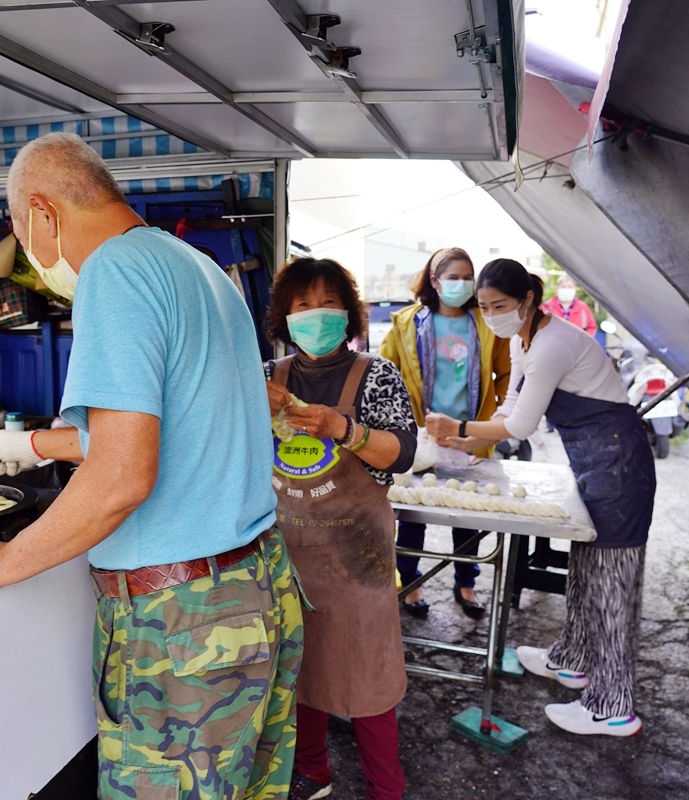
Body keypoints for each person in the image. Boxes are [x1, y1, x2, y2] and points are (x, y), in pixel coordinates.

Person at [0, 132, 304, 798]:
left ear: (40, 212)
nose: (30, 255)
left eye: (18, 232)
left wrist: (2, 560)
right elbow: (174, 431)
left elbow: (123, 476)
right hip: (259, 586)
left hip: (185, 623)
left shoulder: (113, 273)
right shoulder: (196, 265)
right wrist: (33, 445)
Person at [424, 258, 656, 737]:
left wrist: (459, 427)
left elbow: (522, 425)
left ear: (528, 299)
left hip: (619, 463)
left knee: (612, 583)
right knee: (586, 566)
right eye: (483, 306)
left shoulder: (553, 343)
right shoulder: (521, 339)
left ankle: (613, 707)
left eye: (500, 305)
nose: (490, 314)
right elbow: (510, 406)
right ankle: (572, 660)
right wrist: (469, 442)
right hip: (594, 461)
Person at [265, 258, 415, 800]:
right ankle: (313, 772)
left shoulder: (375, 374)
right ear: (285, 315)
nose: (315, 314)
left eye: (328, 302)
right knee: (299, 672)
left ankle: (385, 788)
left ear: (348, 312)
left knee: (368, 678)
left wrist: (342, 428)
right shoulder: (268, 378)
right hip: (287, 552)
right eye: (302, 304)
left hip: (357, 558)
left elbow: (401, 454)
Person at [380, 247, 510, 619]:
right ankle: (411, 582)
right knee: (413, 516)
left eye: (469, 276)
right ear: (435, 282)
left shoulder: (487, 325)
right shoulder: (406, 323)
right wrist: (402, 429)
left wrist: (491, 428)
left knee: (468, 515)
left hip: (470, 437)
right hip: (420, 438)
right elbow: (386, 378)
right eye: (454, 277)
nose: (463, 284)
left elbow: (506, 377)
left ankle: (466, 581)